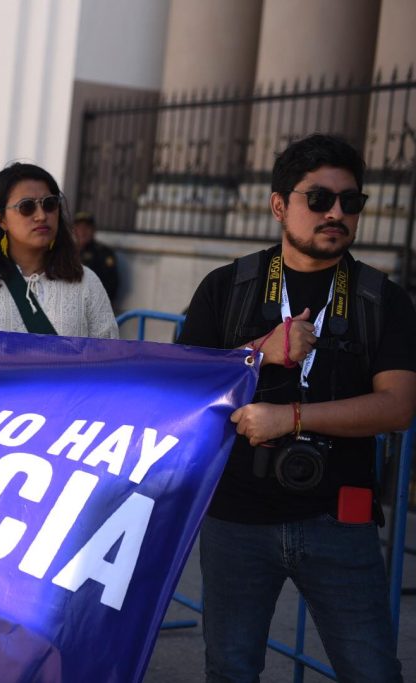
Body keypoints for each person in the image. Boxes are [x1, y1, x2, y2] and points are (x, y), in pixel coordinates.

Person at [177, 134, 416, 682]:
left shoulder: (382, 298)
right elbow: (190, 389)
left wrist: (293, 419)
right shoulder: (227, 287)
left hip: (341, 517)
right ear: (279, 204)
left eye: (350, 202)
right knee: (231, 669)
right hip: (235, 518)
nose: (336, 213)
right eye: (319, 199)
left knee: (372, 670)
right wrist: (261, 352)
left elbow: (398, 406)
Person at [0, 162, 118, 340]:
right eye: (27, 207)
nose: (41, 216)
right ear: (1, 220)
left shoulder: (86, 283)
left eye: (49, 204)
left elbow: (107, 362)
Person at [71, 211, 120, 303]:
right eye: (79, 227)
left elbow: (111, 285)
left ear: (94, 230)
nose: (82, 231)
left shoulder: (103, 253)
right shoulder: (67, 251)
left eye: (87, 227)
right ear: (74, 230)